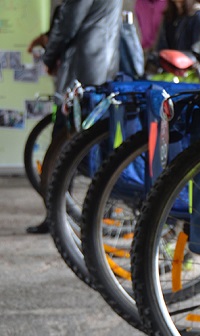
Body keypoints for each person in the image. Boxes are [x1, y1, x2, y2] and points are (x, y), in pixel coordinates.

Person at [26, 0, 122, 234]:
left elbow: (69, 22)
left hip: (82, 69)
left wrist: (49, 57)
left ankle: (58, 217)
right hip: (101, 65)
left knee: (62, 146)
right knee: (87, 143)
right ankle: (91, 213)